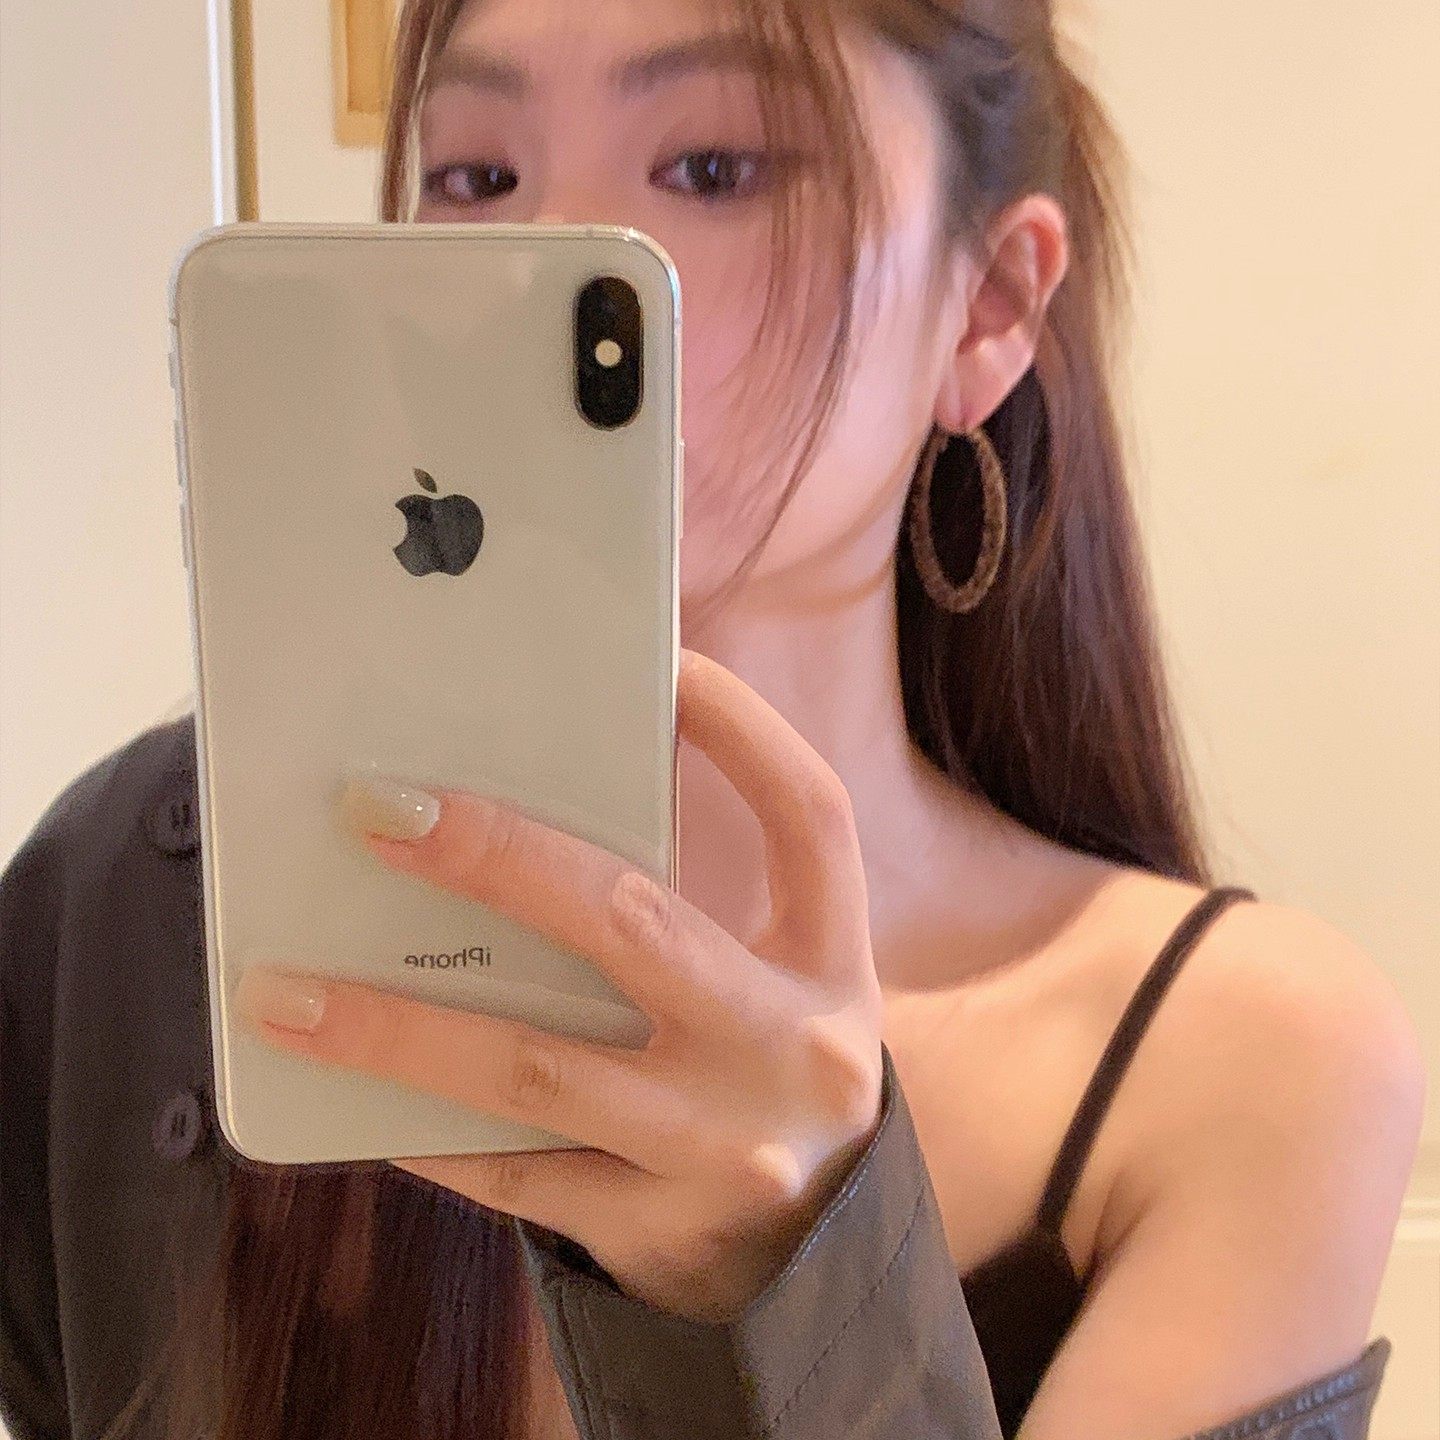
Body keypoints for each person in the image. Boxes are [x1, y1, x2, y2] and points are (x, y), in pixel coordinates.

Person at [0, 0, 1426, 1437]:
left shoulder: (1246, 1065)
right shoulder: (131, 894)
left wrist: (798, 1293)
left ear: (989, 306)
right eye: (477, 177)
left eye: (714, 169)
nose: (537, 260)